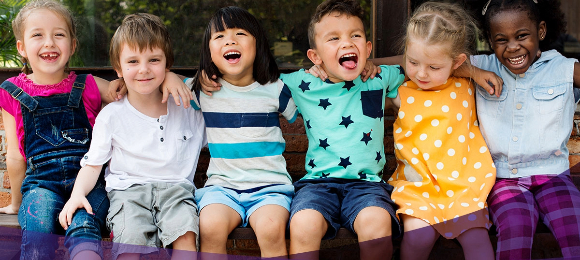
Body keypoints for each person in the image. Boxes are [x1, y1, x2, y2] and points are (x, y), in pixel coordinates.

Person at [58, 13, 206, 260]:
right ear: (118, 68)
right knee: (130, 241)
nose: (144, 69)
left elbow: (216, 82)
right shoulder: (112, 116)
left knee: (186, 234)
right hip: (128, 193)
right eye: (133, 61)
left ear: (167, 63)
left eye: (154, 60)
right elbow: (93, 165)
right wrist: (77, 195)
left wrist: (173, 77)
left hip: (177, 191)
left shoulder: (187, 105)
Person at [0, 1, 112, 259]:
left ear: (72, 45)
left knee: (84, 225)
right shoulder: (12, 92)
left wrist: (172, 78)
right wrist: (17, 203)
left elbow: (132, 86)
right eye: (37, 35)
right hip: (41, 187)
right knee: (38, 229)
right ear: (22, 48)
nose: (49, 42)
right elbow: (16, 156)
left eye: (58, 34)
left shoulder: (90, 85)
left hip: (89, 187)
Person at [185, 6, 298, 259]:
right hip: (222, 187)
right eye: (220, 36)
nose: (230, 40)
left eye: (240, 33)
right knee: (210, 227)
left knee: (271, 230)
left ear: (258, 44)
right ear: (209, 52)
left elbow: (301, 108)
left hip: (270, 187)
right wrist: (182, 78)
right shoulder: (202, 90)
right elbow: (163, 84)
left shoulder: (276, 88)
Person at [386, 2, 496, 260]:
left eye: (434, 67)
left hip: (463, 187)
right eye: (413, 62)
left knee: (478, 241)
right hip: (418, 188)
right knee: (418, 237)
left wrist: (474, 71)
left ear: (457, 62)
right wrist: (367, 64)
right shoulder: (400, 92)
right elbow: (365, 79)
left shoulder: (467, 84)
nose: (421, 73)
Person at [474, 0, 580, 258]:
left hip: (554, 176)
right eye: (501, 39)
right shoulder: (483, 66)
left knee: (576, 228)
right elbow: (428, 58)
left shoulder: (564, 68)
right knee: (516, 228)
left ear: (540, 31)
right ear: (490, 39)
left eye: (522, 36)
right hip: (504, 179)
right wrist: (471, 71)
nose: (512, 47)